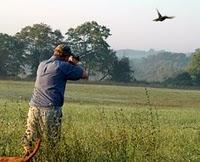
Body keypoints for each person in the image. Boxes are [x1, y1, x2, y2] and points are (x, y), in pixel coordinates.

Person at [22, 44, 88, 160]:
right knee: (52, 143)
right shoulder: (63, 66)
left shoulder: (42, 64)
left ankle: (27, 159)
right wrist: (73, 63)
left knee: (30, 141)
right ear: (66, 56)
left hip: (33, 107)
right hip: (50, 109)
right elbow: (84, 75)